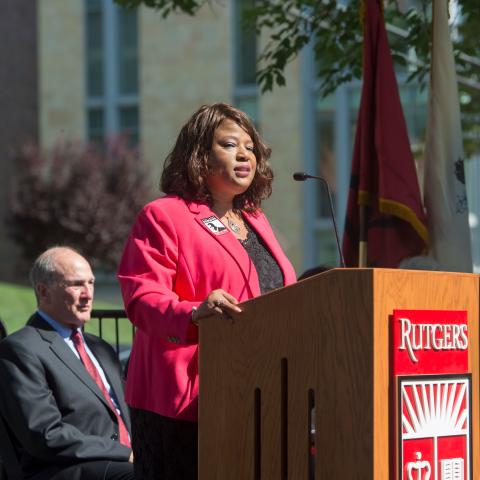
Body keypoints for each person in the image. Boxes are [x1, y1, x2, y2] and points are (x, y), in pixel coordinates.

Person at [118, 102, 297, 479]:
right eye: (230, 145)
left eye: (250, 146)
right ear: (200, 155)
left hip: (256, 389)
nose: (245, 154)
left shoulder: (255, 219)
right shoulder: (165, 215)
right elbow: (142, 296)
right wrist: (194, 311)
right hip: (184, 398)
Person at [0, 247, 134, 480]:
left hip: (123, 462)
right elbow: (45, 435)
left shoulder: (100, 348)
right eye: (76, 284)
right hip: (66, 469)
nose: (88, 294)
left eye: (91, 283)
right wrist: (124, 453)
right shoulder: (21, 349)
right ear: (44, 292)